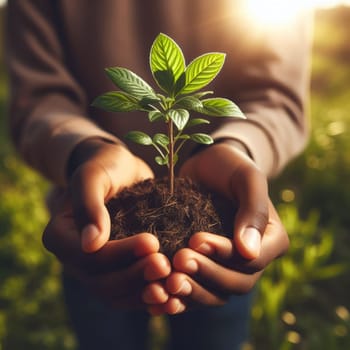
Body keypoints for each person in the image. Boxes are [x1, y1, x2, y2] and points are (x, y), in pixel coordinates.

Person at [6, 1, 312, 349]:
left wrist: (239, 149)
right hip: (94, 221)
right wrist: (85, 151)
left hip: (222, 231)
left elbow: (276, 95)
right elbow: (39, 97)